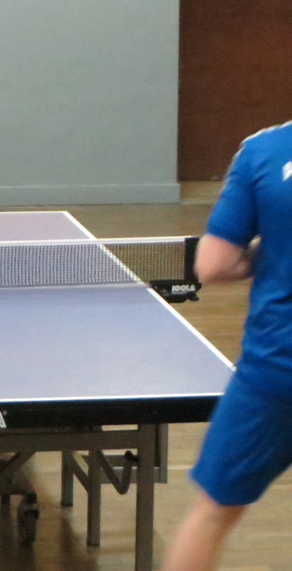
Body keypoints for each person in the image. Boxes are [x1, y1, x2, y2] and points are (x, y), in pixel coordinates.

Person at [161, 122, 292, 571]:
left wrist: (270, 251)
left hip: (275, 370)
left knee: (212, 512)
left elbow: (213, 265)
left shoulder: (264, 150)